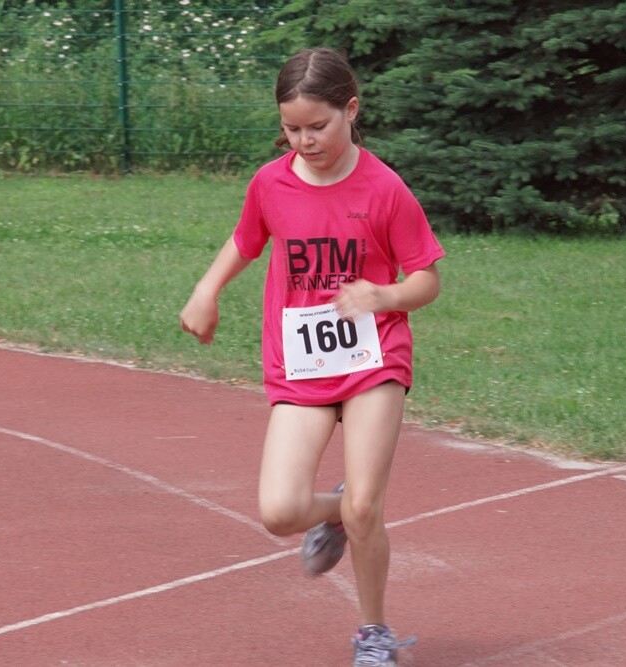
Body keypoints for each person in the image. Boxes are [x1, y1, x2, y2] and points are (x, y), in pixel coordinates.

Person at [179, 46, 444, 666]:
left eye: (317, 126)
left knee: (366, 506)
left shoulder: (384, 188)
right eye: (291, 128)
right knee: (280, 512)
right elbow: (245, 240)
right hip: (302, 366)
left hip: (374, 357)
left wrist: (383, 295)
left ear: (351, 110)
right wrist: (206, 290)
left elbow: (427, 279)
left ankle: (373, 634)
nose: (304, 141)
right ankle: (336, 514)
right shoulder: (270, 183)